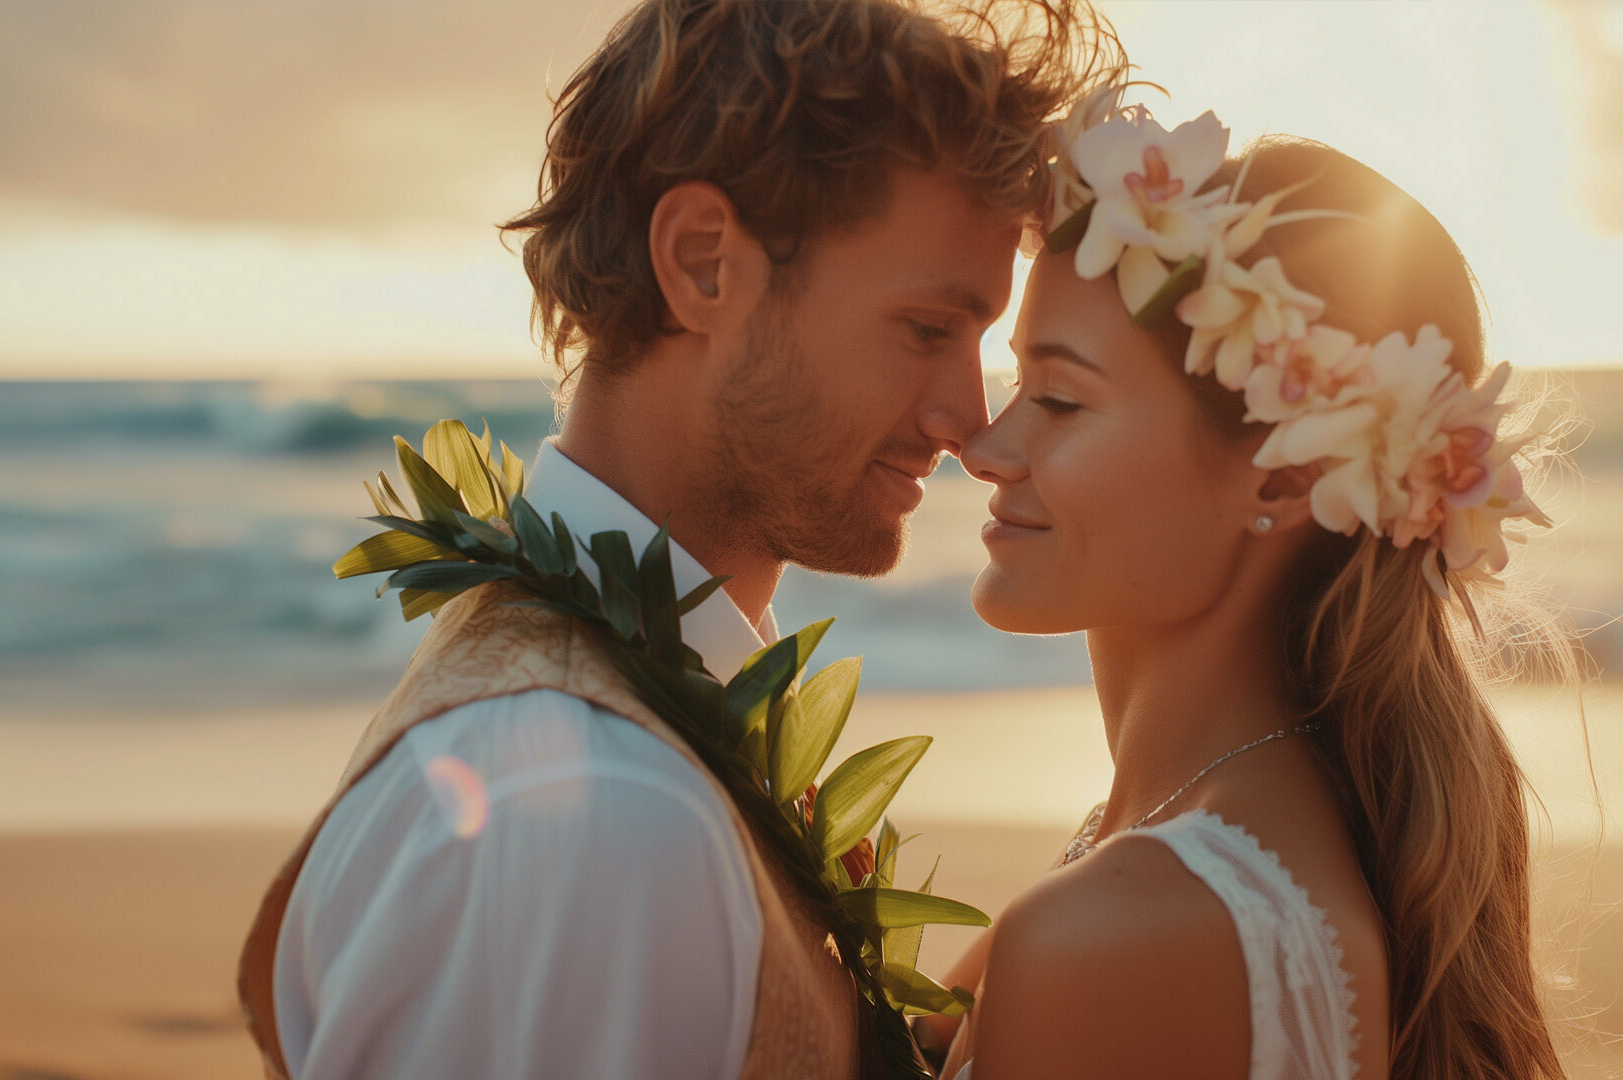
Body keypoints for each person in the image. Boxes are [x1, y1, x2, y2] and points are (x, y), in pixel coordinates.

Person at [237, 2, 1118, 1077]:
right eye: (928, 329)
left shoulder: (612, 722)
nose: (967, 421)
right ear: (703, 264)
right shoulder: (595, 817)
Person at [925, 95, 1576, 1080]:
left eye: (1057, 399)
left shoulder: (1122, 932)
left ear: (1281, 479)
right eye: (1014, 383)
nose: (985, 446)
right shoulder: (1179, 846)